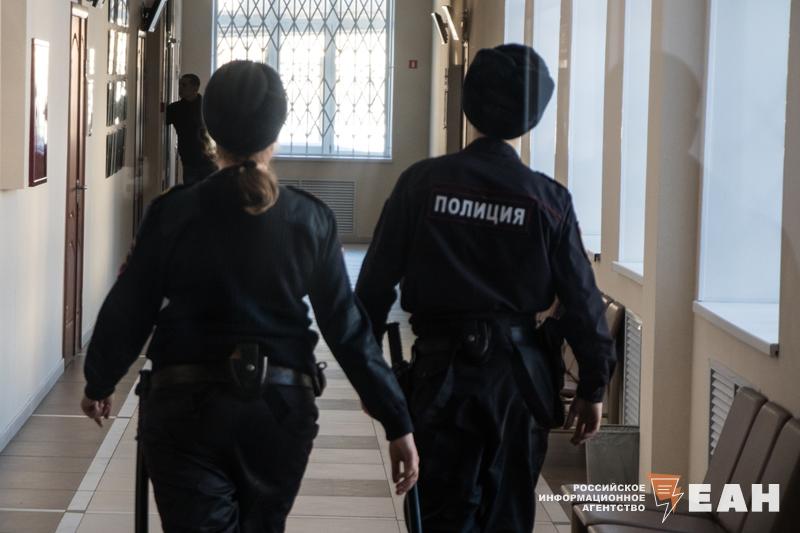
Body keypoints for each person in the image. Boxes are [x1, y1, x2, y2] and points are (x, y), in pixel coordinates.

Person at [81, 60, 419, 533]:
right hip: (281, 411)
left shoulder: (172, 212)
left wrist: (99, 382)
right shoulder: (310, 218)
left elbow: (130, 308)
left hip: (184, 407)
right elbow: (346, 327)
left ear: (210, 129)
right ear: (277, 129)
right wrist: (396, 419)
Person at [355, 44, 615, 533]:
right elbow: (582, 300)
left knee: (440, 517)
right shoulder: (548, 201)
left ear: (469, 105)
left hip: (440, 381)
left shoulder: (420, 185)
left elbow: (371, 291)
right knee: (509, 516)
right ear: (532, 117)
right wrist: (594, 385)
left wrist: (374, 383)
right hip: (519, 386)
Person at [166, 73, 217, 185]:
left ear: (195, 87)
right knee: (191, 191)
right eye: (180, 84)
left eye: (184, 85)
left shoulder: (207, 106)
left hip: (209, 161)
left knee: (210, 193)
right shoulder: (174, 109)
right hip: (189, 162)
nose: (180, 88)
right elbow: (158, 125)